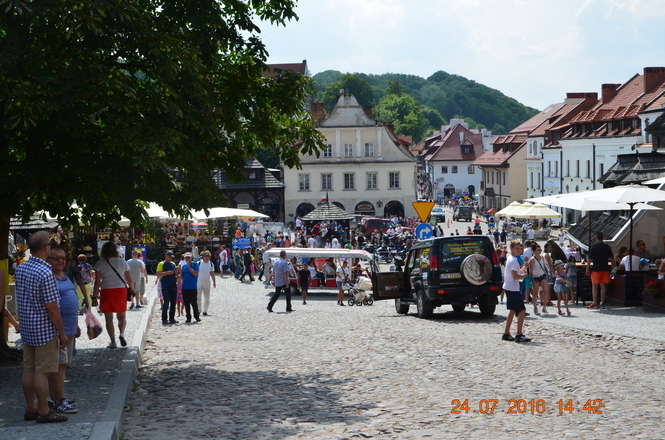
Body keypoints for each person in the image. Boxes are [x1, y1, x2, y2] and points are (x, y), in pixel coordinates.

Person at [15, 231, 68, 423]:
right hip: (44, 329)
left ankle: (31, 408)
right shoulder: (45, 272)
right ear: (46, 248)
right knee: (42, 372)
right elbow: (53, 308)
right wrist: (62, 333)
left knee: (28, 369)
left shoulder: (22, 268)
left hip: (28, 328)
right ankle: (44, 411)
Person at [47, 247, 79, 414]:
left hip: (70, 327)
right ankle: (58, 400)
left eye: (63, 258)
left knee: (63, 365)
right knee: (59, 366)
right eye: (56, 258)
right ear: (48, 260)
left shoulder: (65, 276)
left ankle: (57, 397)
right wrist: (60, 332)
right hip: (58, 330)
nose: (60, 261)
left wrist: (77, 325)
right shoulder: (49, 278)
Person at [93, 241, 133, 349]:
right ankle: (122, 334)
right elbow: (129, 280)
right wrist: (132, 290)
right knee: (122, 316)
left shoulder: (100, 263)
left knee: (108, 318)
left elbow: (97, 282)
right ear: (115, 250)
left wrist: (94, 296)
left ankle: (113, 342)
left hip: (106, 290)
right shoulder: (122, 262)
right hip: (120, 290)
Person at [502, 241, 530, 343]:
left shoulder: (510, 258)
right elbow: (515, 276)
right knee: (522, 311)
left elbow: (516, 271)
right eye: (517, 248)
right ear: (512, 249)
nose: (520, 250)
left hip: (509, 287)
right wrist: (524, 276)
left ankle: (506, 333)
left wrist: (524, 267)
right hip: (513, 288)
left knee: (513, 310)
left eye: (520, 248)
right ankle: (519, 334)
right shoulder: (514, 260)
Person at [586, 232, 613, 309]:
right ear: (602, 238)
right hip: (605, 268)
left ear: (596, 238)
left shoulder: (594, 247)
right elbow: (611, 259)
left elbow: (590, 260)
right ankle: (602, 302)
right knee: (603, 286)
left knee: (594, 286)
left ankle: (594, 302)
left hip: (596, 269)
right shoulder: (607, 247)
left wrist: (587, 268)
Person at [157, 251, 178, 325]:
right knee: (166, 303)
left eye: (171, 257)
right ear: (166, 256)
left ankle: (172, 318)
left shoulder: (173, 264)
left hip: (173, 285)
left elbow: (175, 274)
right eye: (169, 257)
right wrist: (167, 273)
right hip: (165, 286)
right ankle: (164, 319)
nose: (170, 258)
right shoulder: (161, 263)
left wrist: (177, 271)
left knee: (173, 303)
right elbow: (158, 274)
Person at [180, 253, 201, 323]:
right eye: (186, 258)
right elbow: (182, 277)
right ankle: (188, 318)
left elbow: (195, 274)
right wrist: (178, 273)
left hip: (193, 287)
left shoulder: (195, 265)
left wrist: (189, 267)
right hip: (184, 288)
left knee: (194, 303)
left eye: (188, 258)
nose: (187, 259)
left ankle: (197, 317)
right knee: (186, 304)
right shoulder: (183, 267)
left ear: (191, 258)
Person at [528, 244, 547, 315]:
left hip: (542, 275)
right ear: (534, 251)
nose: (540, 251)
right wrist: (531, 279)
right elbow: (531, 270)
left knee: (545, 291)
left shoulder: (542, 257)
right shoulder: (532, 260)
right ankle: (535, 307)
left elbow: (545, 266)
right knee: (535, 293)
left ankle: (544, 307)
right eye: (538, 250)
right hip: (535, 277)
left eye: (540, 250)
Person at [197, 250, 216, 316]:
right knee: (198, 297)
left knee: (207, 297)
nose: (207, 257)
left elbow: (212, 273)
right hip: (199, 281)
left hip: (207, 282)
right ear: (203, 257)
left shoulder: (211, 264)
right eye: (206, 256)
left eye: (209, 256)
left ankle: (205, 311)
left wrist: (214, 281)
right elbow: (195, 272)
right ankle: (199, 310)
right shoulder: (198, 263)